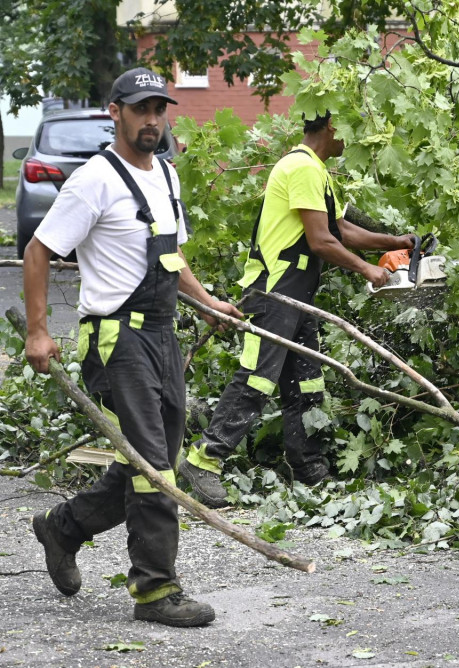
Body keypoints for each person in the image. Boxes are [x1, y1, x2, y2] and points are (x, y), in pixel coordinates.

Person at [24, 67, 243, 627]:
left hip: (163, 334)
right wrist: (38, 330)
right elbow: (39, 251)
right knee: (152, 467)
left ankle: (63, 527)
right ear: (115, 111)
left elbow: (172, 258)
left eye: (159, 109)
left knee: (155, 461)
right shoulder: (95, 179)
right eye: (141, 109)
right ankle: (155, 590)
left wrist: (210, 301)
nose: (152, 120)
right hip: (118, 338)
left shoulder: (166, 176)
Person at [178, 111, 415, 507]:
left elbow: (342, 231)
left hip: (297, 292)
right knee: (257, 377)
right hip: (275, 289)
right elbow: (321, 241)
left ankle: (307, 463)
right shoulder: (301, 167)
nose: (351, 140)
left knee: (306, 381)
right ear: (332, 126)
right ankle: (204, 459)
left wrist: (394, 241)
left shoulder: (316, 171)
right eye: (350, 129)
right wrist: (367, 269)